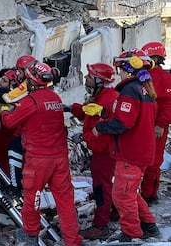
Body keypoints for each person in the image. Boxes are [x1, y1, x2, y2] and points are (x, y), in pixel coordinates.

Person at [1, 61, 84, 246]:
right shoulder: (55, 98)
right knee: (65, 201)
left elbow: (9, 123)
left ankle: (31, 236)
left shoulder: (31, 101)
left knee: (33, 199)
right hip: (60, 158)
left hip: (38, 160)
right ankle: (72, 240)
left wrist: (4, 110)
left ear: (30, 81)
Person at [92, 48, 161, 242]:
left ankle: (132, 234)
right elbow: (134, 116)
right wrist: (105, 112)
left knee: (122, 195)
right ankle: (149, 226)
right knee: (130, 193)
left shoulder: (130, 89)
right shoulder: (144, 87)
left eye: (120, 69)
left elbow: (124, 123)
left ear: (129, 69)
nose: (118, 73)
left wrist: (101, 126)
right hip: (142, 150)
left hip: (131, 152)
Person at [68, 63, 118, 240]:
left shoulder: (108, 100)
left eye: (89, 77)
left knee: (101, 188)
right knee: (107, 185)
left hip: (104, 153)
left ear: (99, 80)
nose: (86, 79)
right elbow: (87, 113)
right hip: (102, 151)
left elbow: (103, 135)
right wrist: (72, 108)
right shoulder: (99, 97)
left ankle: (101, 225)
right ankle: (113, 212)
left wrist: (84, 138)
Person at [141, 42, 171, 205]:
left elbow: (168, 104)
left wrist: (161, 124)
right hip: (144, 125)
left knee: (153, 161)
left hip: (157, 126)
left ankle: (150, 195)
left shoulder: (164, 77)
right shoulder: (143, 75)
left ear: (155, 58)